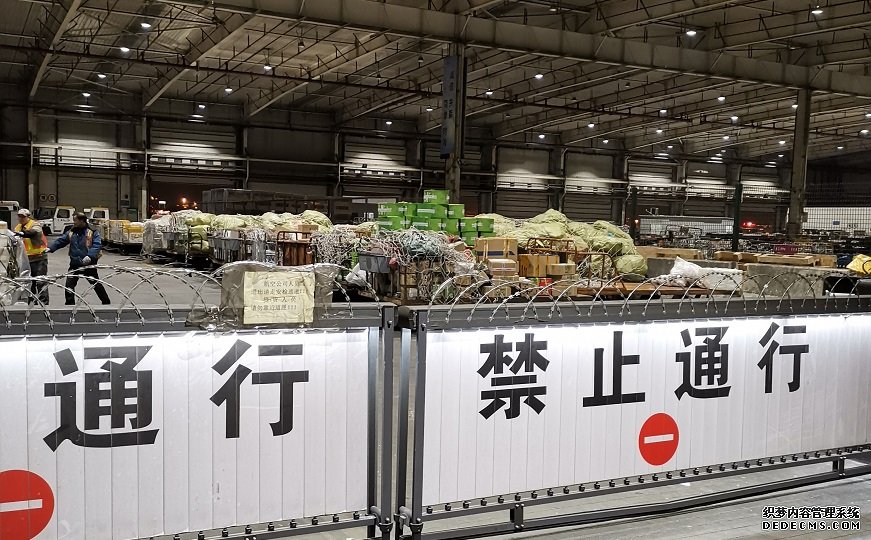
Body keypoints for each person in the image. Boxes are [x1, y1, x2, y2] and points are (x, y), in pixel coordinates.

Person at [47, 213, 110, 305]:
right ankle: (69, 305)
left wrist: (90, 256)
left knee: (95, 283)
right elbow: (61, 240)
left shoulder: (92, 231)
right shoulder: (72, 231)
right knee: (69, 285)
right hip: (75, 263)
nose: (74, 222)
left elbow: (97, 245)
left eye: (75, 220)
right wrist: (51, 248)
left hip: (88, 264)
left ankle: (106, 302)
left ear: (82, 221)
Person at [14, 208, 49, 304]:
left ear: (28, 217)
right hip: (26, 259)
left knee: (40, 281)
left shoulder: (35, 225)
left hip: (39, 258)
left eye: (23, 217)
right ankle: (32, 302)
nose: (21, 218)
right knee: (29, 282)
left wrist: (23, 233)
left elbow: (33, 232)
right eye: (19, 216)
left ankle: (44, 303)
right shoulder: (18, 227)